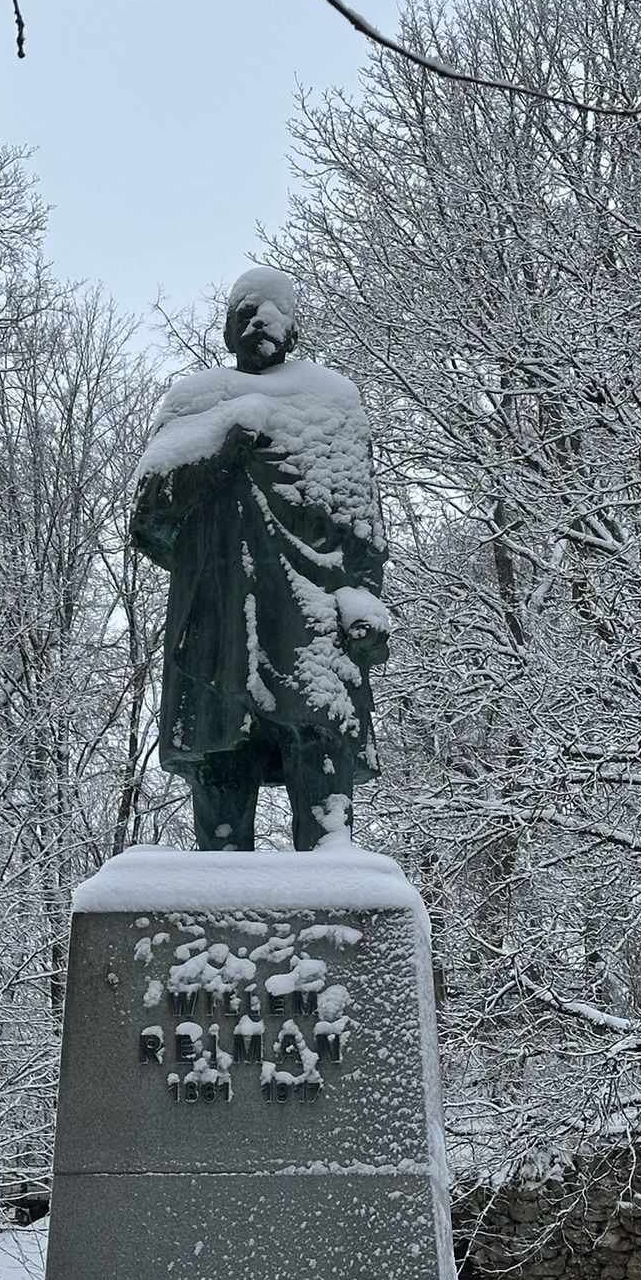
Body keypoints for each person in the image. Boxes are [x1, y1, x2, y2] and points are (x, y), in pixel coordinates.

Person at [131, 266, 390, 851]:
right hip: (216, 623)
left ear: (295, 330)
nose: (261, 322)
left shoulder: (330, 401)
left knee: (321, 761)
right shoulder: (196, 400)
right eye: (246, 312)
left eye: (273, 312)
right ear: (227, 330)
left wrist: (365, 603)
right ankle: (221, 904)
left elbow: (362, 529)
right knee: (221, 769)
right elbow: (150, 517)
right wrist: (223, 442)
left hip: (311, 624)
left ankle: (333, 887)